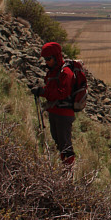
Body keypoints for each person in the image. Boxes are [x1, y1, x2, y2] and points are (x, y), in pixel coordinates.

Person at [32, 41, 76, 169]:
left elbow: (63, 93)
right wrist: (42, 91)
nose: (46, 62)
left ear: (56, 57)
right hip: (54, 112)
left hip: (63, 114)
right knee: (59, 143)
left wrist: (43, 92)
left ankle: (68, 173)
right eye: (45, 59)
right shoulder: (53, 72)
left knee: (65, 145)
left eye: (49, 59)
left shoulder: (65, 72)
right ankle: (65, 169)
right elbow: (52, 90)